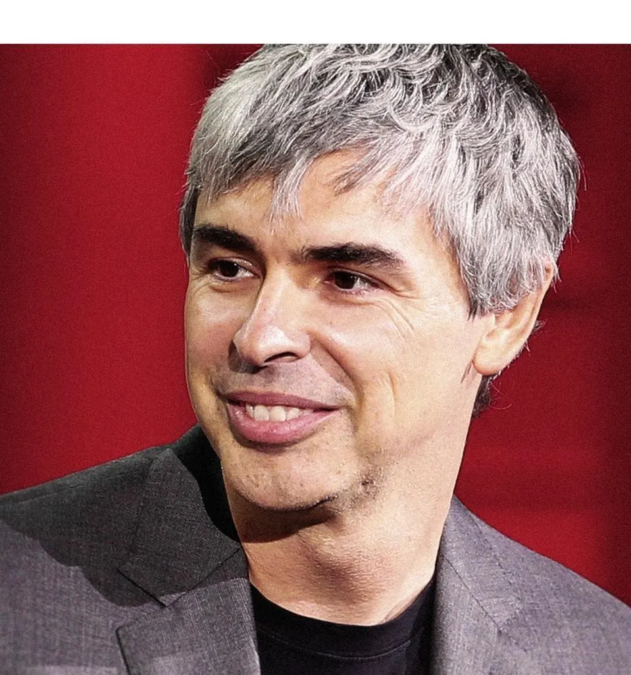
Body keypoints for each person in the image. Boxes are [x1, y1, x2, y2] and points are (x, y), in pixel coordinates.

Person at [1, 44, 629, 675]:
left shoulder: (600, 653)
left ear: (506, 313)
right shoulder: (17, 602)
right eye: (230, 268)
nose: (260, 337)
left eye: (347, 280)